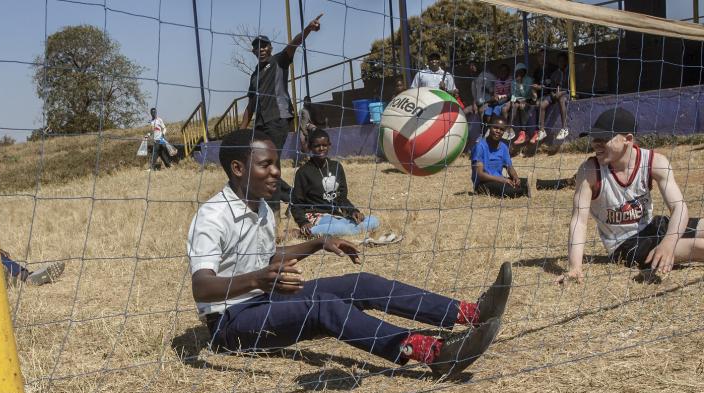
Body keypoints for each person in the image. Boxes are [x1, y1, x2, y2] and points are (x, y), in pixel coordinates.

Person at [187, 128, 511, 376]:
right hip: (231, 323)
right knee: (324, 304)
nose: (276, 172)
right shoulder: (213, 215)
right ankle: (434, 354)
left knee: (362, 283)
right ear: (238, 168)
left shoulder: (260, 209)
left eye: (276, 164)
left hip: (265, 298)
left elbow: (267, 259)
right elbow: (202, 286)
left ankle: (469, 313)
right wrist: (258, 280)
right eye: (266, 165)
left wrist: (317, 243)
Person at [556, 109, 704, 284]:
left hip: (654, 225)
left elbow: (679, 207)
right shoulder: (590, 171)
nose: (595, 143)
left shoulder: (655, 162)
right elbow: (579, 221)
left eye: (604, 138)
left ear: (628, 139)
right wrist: (575, 267)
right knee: (699, 247)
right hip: (626, 245)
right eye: (594, 138)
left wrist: (668, 243)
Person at [240, 14, 324, 210]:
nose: (261, 49)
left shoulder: (279, 61)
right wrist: (241, 131)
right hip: (260, 125)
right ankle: (295, 197)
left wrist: (308, 29)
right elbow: (250, 105)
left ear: (270, 48)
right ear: (253, 51)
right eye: (257, 47)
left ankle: (274, 211)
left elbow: (294, 43)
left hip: (278, 120)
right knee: (259, 165)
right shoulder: (254, 76)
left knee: (270, 165)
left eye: (264, 45)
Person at [291, 128, 380, 237]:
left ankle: (344, 230)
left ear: (329, 146)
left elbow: (341, 198)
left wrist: (353, 211)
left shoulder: (336, 167)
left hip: (335, 215)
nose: (321, 149)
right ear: (310, 148)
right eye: (317, 146)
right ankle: (304, 232)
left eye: (324, 145)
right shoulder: (303, 172)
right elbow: (296, 203)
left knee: (374, 220)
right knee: (340, 227)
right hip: (316, 215)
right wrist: (303, 222)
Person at [471, 116, 573, 198]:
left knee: (533, 181)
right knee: (508, 191)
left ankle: (567, 182)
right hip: (483, 184)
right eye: (495, 127)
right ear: (489, 127)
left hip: (500, 180)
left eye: (501, 129)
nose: (498, 131)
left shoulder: (503, 147)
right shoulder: (480, 147)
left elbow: (509, 167)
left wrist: (515, 177)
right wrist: (503, 180)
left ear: (504, 132)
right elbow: (480, 175)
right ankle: (526, 190)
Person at [536, 53, 571, 143]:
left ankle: (564, 128)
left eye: (562, 61)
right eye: (559, 61)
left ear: (566, 61)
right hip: (556, 95)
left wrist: (561, 93)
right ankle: (542, 130)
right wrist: (553, 94)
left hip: (566, 94)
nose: (560, 63)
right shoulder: (555, 74)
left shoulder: (570, 72)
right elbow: (551, 88)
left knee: (561, 99)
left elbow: (570, 88)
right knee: (542, 104)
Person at [529, 50, 559, 145]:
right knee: (534, 106)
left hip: (552, 94)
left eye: (543, 56)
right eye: (539, 56)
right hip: (541, 95)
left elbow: (555, 84)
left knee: (541, 105)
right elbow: (536, 84)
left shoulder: (553, 69)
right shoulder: (537, 71)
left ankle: (542, 130)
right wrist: (534, 88)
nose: (541, 58)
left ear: (547, 57)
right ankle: (534, 132)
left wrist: (541, 87)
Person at [508, 63, 536, 146]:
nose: (519, 74)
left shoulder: (529, 80)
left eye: (521, 71)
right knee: (513, 106)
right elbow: (513, 94)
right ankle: (510, 127)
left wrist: (520, 85)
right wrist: (515, 100)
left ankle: (523, 132)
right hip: (517, 100)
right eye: (518, 72)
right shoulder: (513, 82)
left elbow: (527, 94)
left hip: (528, 100)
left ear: (525, 72)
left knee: (522, 106)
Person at [462, 60, 496, 129]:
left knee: (482, 111)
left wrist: (488, 102)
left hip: (488, 102)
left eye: (473, 65)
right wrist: (474, 103)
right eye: (470, 66)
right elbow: (475, 96)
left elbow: (492, 93)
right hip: (478, 104)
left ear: (478, 66)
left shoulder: (485, 76)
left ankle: (483, 131)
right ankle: (466, 131)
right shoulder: (473, 81)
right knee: (464, 111)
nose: (472, 67)